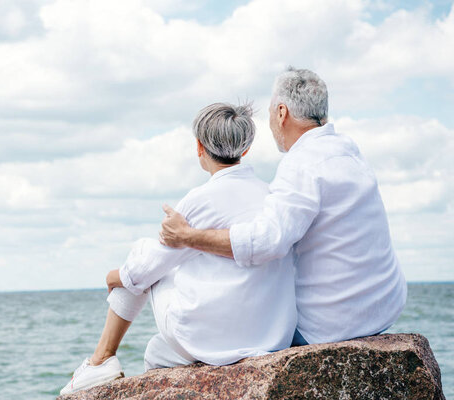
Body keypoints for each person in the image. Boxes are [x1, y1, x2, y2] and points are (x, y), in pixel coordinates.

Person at [60, 103, 297, 395]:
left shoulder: (202, 199)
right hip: (271, 335)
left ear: (199, 146)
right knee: (156, 351)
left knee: (142, 250)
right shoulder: (269, 194)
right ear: (244, 149)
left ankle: (100, 360)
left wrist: (113, 277)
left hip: (214, 339)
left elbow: (146, 269)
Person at [159, 67, 407, 346]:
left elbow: (266, 243)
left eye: (268, 113)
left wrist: (187, 236)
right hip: (384, 307)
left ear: (281, 112)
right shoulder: (348, 151)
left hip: (328, 327)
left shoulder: (302, 163)